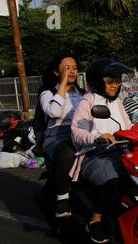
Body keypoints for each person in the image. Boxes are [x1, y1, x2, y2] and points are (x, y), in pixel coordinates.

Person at [71, 58, 133, 244]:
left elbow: (128, 126)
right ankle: (95, 219)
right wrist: (96, 137)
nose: (115, 86)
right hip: (94, 154)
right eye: (110, 82)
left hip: (119, 150)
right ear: (98, 82)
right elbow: (77, 132)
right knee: (112, 181)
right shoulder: (88, 101)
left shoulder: (117, 102)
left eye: (117, 82)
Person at [39, 55, 84, 218]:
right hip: (57, 135)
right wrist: (63, 85)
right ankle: (62, 200)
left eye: (74, 68)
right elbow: (54, 112)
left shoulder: (83, 94)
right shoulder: (48, 93)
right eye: (66, 68)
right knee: (68, 151)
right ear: (56, 72)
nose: (71, 71)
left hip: (81, 133)